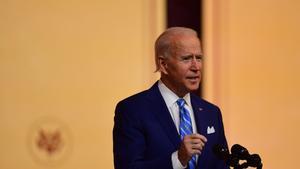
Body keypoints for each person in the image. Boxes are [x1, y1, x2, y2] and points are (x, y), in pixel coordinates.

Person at [113, 27, 229, 169]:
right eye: (186, 58)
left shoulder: (211, 112)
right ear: (163, 65)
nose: (196, 67)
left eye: (198, 58)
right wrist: (178, 160)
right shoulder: (133, 110)